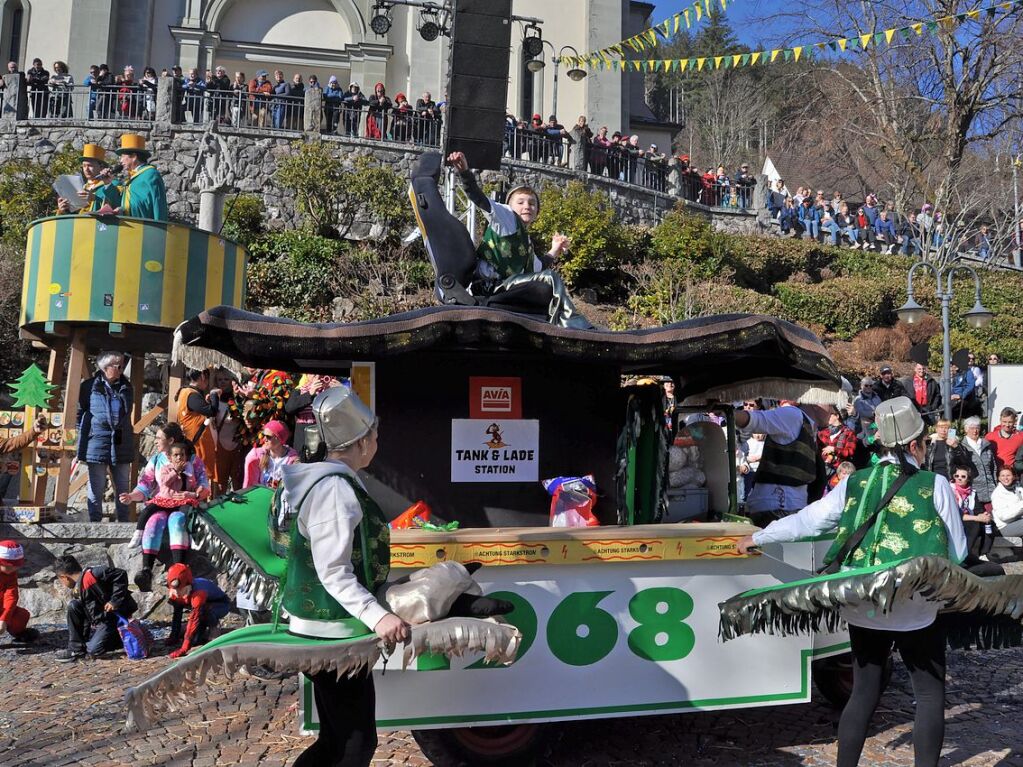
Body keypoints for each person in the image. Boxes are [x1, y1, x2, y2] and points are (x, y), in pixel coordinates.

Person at [733, 397, 967, 767]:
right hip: (916, 608)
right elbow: (958, 549)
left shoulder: (854, 482)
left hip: (863, 604)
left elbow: (809, 520)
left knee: (863, 693)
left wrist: (759, 537)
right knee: (928, 694)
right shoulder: (934, 484)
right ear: (913, 445)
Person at [281, 386, 409, 766]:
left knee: (336, 739)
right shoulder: (334, 489)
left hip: (323, 626)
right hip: (330, 631)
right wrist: (379, 615)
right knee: (355, 743)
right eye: (373, 434)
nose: (376, 441)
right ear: (360, 442)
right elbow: (333, 571)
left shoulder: (326, 480)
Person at [447, 150, 590, 329]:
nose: (527, 207)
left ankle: (555, 325)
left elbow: (539, 266)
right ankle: (573, 324)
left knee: (545, 280)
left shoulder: (525, 242)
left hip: (506, 286)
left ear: (537, 212)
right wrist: (465, 173)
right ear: (509, 205)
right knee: (550, 279)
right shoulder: (505, 216)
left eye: (532, 204)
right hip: (487, 286)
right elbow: (478, 197)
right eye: (521, 202)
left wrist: (555, 248)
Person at [121, 437, 209, 591]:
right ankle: (147, 569)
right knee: (153, 521)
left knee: (178, 520)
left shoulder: (193, 461)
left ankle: (179, 570)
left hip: (181, 503)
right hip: (162, 502)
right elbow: (144, 486)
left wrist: (193, 494)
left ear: (170, 441)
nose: (155, 441)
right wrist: (131, 497)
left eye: (159, 438)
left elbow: (203, 486)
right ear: (170, 455)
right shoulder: (156, 460)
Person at [734, 400, 820, 527]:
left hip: (788, 507)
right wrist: (726, 413)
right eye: (830, 405)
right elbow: (754, 419)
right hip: (776, 508)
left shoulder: (807, 423)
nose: (832, 410)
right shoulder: (792, 414)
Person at [77, 351, 134, 522]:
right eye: (118, 366)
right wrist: (83, 436)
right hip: (97, 441)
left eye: (121, 365)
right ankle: (95, 521)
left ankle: (124, 521)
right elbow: (80, 414)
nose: (121, 369)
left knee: (123, 485)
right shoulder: (88, 386)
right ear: (105, 368)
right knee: (97, 485)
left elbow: (127, 412)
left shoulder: (126, 386)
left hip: (121, 441)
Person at [54, 554, 138, 662]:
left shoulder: (94, 573)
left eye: (61, 581)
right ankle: (76, 649)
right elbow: (84, 619)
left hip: (112, 620)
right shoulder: (78, 589)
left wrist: (114, 600)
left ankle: (119, 639)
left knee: (93, 649)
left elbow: (120, 574)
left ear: (64, 577)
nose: (63, 583)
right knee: (73, 605)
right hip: (100, 621)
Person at [164, 563, 230, 659]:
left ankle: (214, 632)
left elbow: (194, 619)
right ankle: (193, 631)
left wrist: (184, 648)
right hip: (200, 608)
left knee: (205, 614)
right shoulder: (174, 591)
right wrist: (173, 636)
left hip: (220, 605)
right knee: (195, 640)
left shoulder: (198, 593)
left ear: (187, 585)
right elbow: (177, 614)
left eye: (180, 589)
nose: (177, 593)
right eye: (175, 589)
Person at [175, 368, 220, 492]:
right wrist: (214, 395)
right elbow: (212, 411)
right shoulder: (191, 394)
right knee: (200, 476)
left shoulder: (185, 392)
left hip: (194, 440)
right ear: (202, 377)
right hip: (197, 442)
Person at [110, 134, 168, 220]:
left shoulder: (150, 174)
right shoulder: (132, 177)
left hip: (146, 229)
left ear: (133, 156)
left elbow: (158, 203)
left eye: (122, 156)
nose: (120, 161)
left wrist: (160, 228)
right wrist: (122, 210)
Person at [56, 143, 121, 215]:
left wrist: (94, 198)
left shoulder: (113, 184)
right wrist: (63, 210)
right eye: (84, 166)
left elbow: (116, 206)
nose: (86, 169)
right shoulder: (82, 187)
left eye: (90, 165)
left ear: (101, 167)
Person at [951, 465, 994, 560]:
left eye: (963, 477)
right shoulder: (950, 490)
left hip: (968, 518)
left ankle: (984, 554)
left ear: (968, 479)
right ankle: (965, 554)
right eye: (956, 476)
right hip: (954, 519)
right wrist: (976, 518)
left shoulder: (972, 492)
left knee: (989, 523)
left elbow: (978, 509)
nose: (959, 479)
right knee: (974, 524)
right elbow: (956, 513)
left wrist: (984, 515)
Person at [0, 540, 38, 643]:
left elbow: (11, 595)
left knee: (22, 616)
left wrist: (4, 619)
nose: (13, 569)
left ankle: (19, 633)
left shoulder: (10, 573)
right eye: (10, 566)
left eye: (16, 566)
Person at [243, 419, 298, 489]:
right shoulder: (256, 456)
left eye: (268, 437)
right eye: (263, 435)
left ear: (279, 439)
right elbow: (249, 486)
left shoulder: (292, 460)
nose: (264, 439)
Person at [962, 416, 998, 510]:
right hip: (973, 492)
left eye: (977, 428)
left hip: (991, 490)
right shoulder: (962, 447)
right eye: (972, 428)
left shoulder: (986, 445)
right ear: (966, 429)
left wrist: (995, 484)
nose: (975, 431)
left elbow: (993, 467)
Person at [818, 405, 857, 481]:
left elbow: (850, 451)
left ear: (836, 416)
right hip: (822, 468)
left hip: (839, 470)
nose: (826, 416)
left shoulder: (848, 433)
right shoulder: (822, 432)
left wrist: (834, 449)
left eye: (829, 415)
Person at [991, 466, 1023, 537]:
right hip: (1004, 527)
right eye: (1002, 476)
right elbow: (1003, 516)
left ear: (1014, 477)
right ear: (999, 478)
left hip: (1018, 521)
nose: (1005, 478)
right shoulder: (997, 494)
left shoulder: (1019, 490)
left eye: (1008, 475)